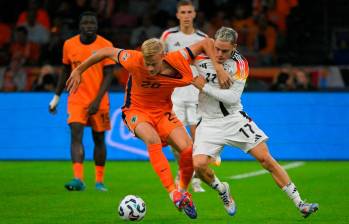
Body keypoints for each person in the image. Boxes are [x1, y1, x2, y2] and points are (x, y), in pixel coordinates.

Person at [66, 37, 231, 219]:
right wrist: (79, 70)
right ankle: (172, 193)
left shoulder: (178, 58)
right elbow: (106, 51)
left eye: (153, 64)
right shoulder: (133, 59)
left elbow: (206, 42)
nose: (150, 68)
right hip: (136, 111)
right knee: (151, 138)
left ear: (163, 56)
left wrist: (219, 68)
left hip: (163, 113)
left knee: (187, 149)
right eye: (147, 63)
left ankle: (182, 192)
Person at [191, 27, 319, 218]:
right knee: (199, 166)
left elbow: (232, 98)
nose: (219, 54)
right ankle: (222, 190)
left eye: (225, 51)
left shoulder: (240, 64)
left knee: (266, 159)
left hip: (235, 119)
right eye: (217, 49)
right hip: (209, 123)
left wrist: (205, 87)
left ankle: (300, 204)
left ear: (234, 47)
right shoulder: (198, 58)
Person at [48, 11, 115, 192]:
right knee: (76, 135)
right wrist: (56, 97)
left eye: (92, 23)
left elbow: (109, 75)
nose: (89, 26)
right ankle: (78, 178)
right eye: (85, 22)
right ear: (79, 25)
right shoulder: (69, 44)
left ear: (97, 25)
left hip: (99, 100)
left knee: (99, 139)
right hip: (76, 98)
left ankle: (99, 181)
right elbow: (64, 72)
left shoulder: (105, 45)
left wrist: (97, 100)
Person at [160, 0, 207, 193]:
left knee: (197, 141)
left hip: (196, 97)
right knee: (176, 141)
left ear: (194, 14)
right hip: (175, 97)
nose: (186, 15)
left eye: (189, 12)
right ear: (177, 15)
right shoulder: (169, 36)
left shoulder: (202, 37)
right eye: (183, 12)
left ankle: (194, 177)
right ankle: (184, 171)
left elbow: (207, 65)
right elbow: (160, 62)